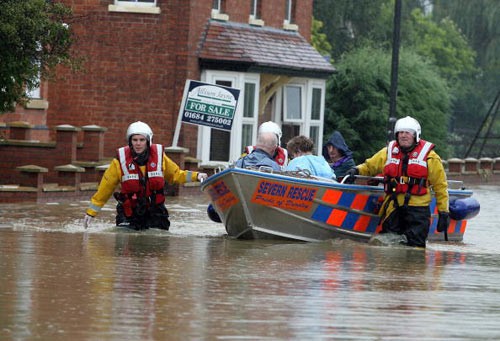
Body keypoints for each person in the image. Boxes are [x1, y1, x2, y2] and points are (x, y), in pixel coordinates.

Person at [344, 116, 449, 247]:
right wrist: (356, 170)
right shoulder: (388, 152)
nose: (403, 135)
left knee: (415, 250)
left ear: (416, 135)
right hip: (393, 208)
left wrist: (444, 212)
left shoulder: (430, 157)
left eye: (407, 132)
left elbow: (441, 187)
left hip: (418, 211)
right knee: (388, 247)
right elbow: (370, 166)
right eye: (400, 132)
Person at [83, 121, 208, 230]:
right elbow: (105, 189)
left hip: (155, 211)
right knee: (125, 250)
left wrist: (196, 176)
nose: (138, 143)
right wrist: (91, 213)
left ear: (148, 141)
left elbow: (176, 174)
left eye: (142, 140)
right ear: (130, 141)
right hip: (129, 213)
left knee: (156, 248)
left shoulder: (159, 158)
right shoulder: (119, 161)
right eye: (135, 140)